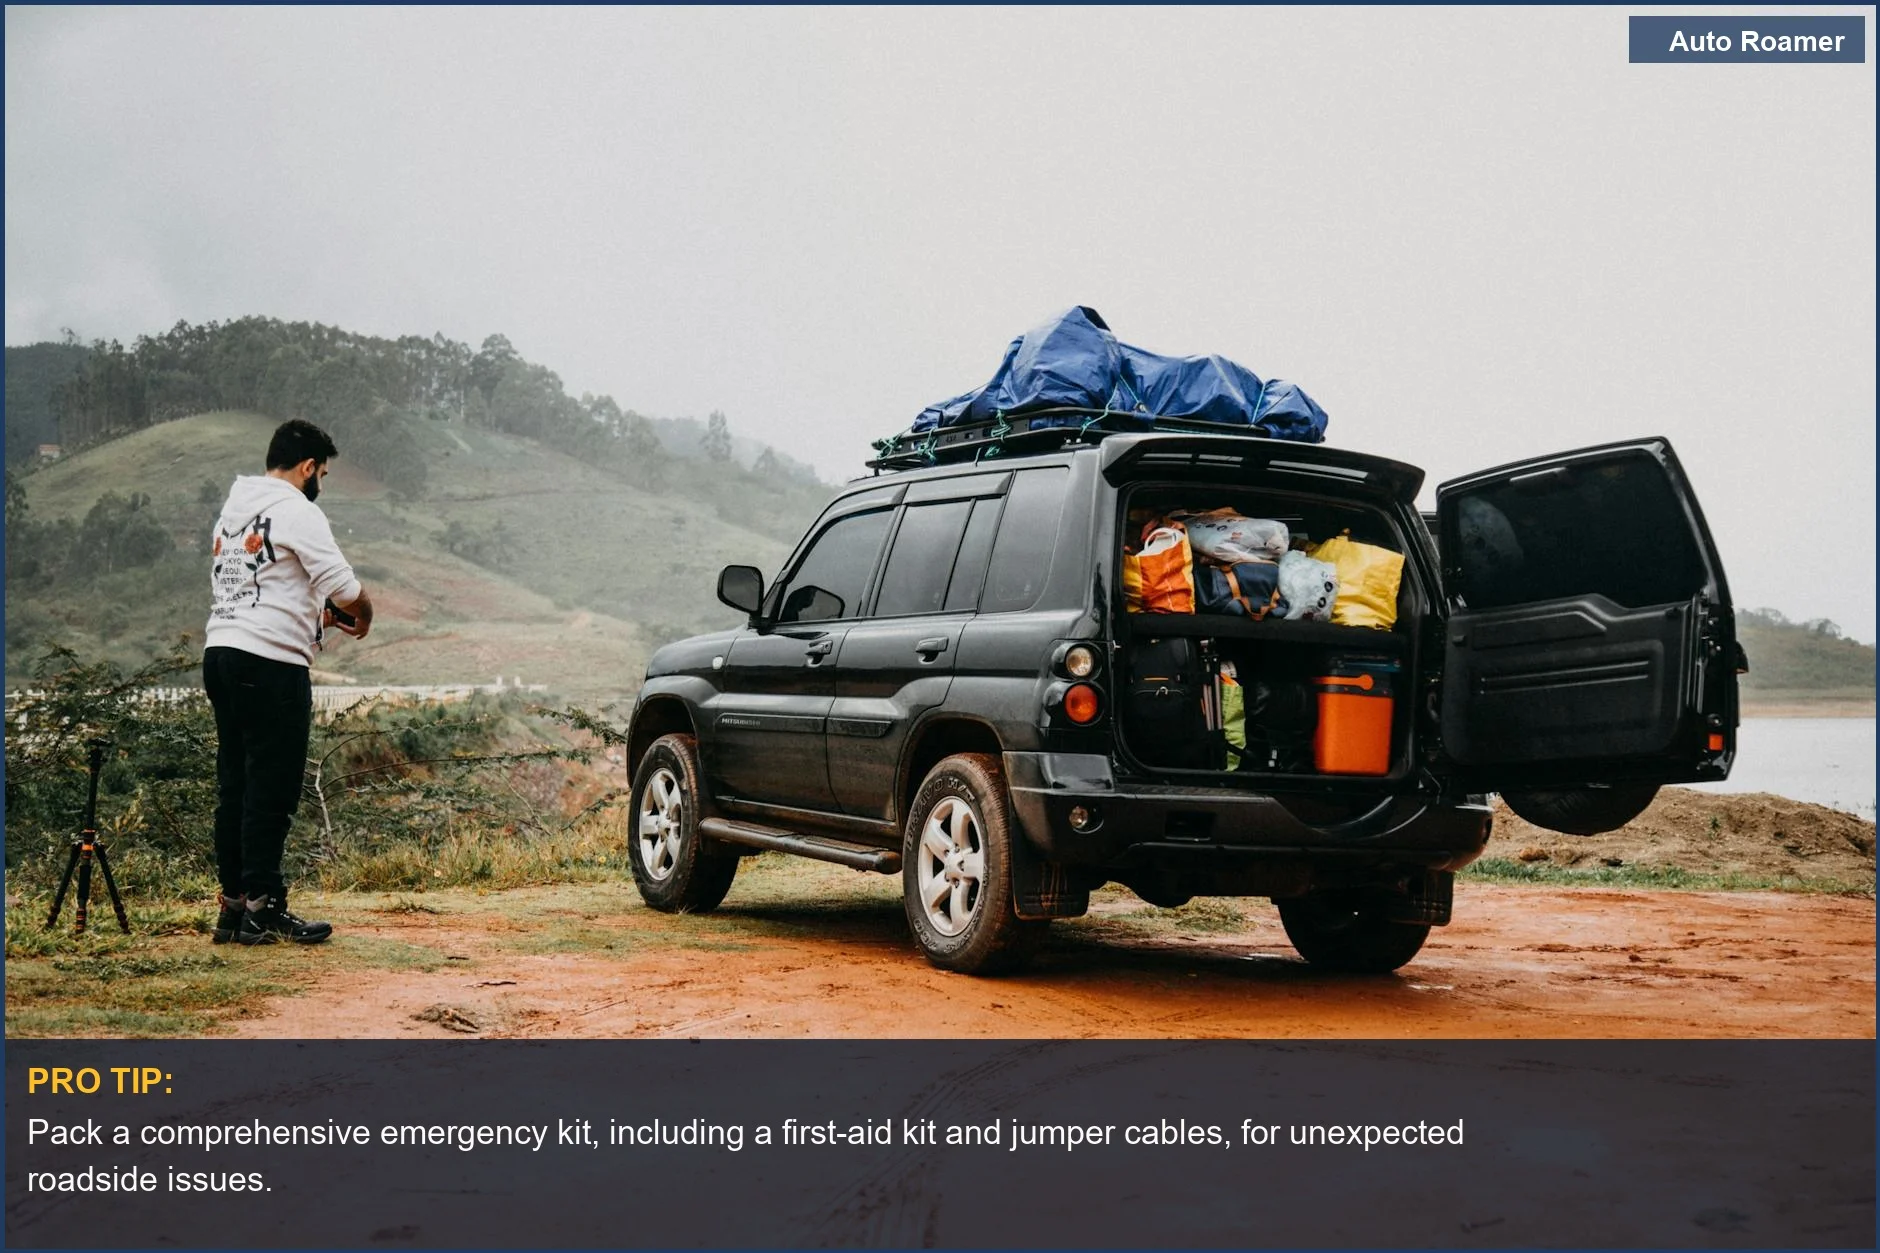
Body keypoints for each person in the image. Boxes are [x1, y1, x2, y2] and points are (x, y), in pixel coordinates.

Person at [204, 419, 373, 944]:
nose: (320, 481)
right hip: (271, 665)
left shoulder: (234, 511)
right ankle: (265, 908)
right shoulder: (298, 509)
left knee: (235, 784)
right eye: (321, 473)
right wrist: (363, 616)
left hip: (222, 654)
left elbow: (263, 590)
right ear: (307, 467)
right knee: (271, 788)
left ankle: (234, 908)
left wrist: (319, 619)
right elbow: (345, 589)